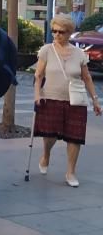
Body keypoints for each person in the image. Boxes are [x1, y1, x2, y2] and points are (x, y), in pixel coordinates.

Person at [33, 14, 101, 187]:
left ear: (69, 32)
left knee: (74, 138)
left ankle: (71, 172)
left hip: (75, 101)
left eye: (61, 32)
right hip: (51, 98)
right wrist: (37, 95)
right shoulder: (46, 50)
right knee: (50, 137)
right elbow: (38, 75)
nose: (56, 35)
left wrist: (95, 100)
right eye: (54, 31)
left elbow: (87, 78)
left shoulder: (79, 53)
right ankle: (46, 155)